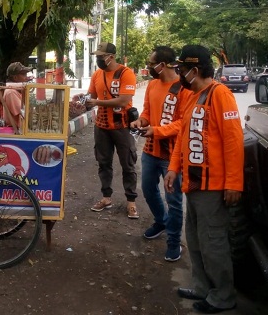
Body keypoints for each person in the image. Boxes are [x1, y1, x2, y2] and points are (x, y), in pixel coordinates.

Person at [164, 44, 243, 314]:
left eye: (182, 70)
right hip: (193, 184)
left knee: (213, 242)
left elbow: (233, 141)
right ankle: (201, 287)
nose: (179, 74)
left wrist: (234, 182)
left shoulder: (220, 95)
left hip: (213, 186)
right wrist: (174, 168)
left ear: (195, 70)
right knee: (195, 240)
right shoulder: (193, 96)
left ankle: (223, 295)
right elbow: (183, 139)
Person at [129, 45, 191, 261]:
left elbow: (183, 123)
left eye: (150, 63)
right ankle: (161, 221)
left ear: (162, 65)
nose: (148, 67)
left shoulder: (183, 88)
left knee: (174, 200)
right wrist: (141, 121)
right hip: (150, 150)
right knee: (147, 189)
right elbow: (147, 110)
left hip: (172, 155)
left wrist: (157, 130)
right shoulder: (153, 85)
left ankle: (174, 241)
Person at [80, 42, 139, 219]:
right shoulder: (97, 74)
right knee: (103, 163)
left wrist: (97, 103)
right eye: (97, 56)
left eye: (101, 56)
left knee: (128, 163)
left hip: (121, 126)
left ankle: (131, 202)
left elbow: (123, 101)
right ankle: (106, 198)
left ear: (111, 57)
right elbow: (92, 96)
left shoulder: (126, 74)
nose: (98, 59)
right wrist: (82, 99)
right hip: (102, 126)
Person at [0, 62, 32, 130]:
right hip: (16, 131)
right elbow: (24, 114)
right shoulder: (11, 92)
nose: (26, 77)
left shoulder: (17, 90)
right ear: (15, 77)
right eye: (23, 74)